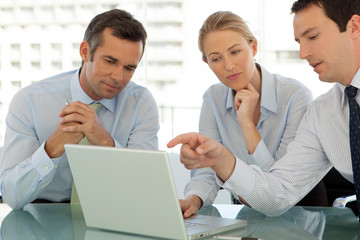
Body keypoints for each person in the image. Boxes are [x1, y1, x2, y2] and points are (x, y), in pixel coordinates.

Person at [168, 0, 360, 217]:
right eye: (216, 58)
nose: (302, 53)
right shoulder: (322, 112)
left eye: (313, 36)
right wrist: (217, 160)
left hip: (304, 213)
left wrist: (246, 127)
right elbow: (277, 192)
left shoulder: (297, 96)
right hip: (253, 213)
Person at [0, 9, 160, 209]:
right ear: (85, 52)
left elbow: (147, 188)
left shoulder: (141, 104)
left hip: (113, 213)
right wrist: (51, 149)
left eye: (129, 68)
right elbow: (11, 195)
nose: (119, 77)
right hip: (42, 216)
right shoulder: (29, 101)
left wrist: (105, 142)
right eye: (110, 62)